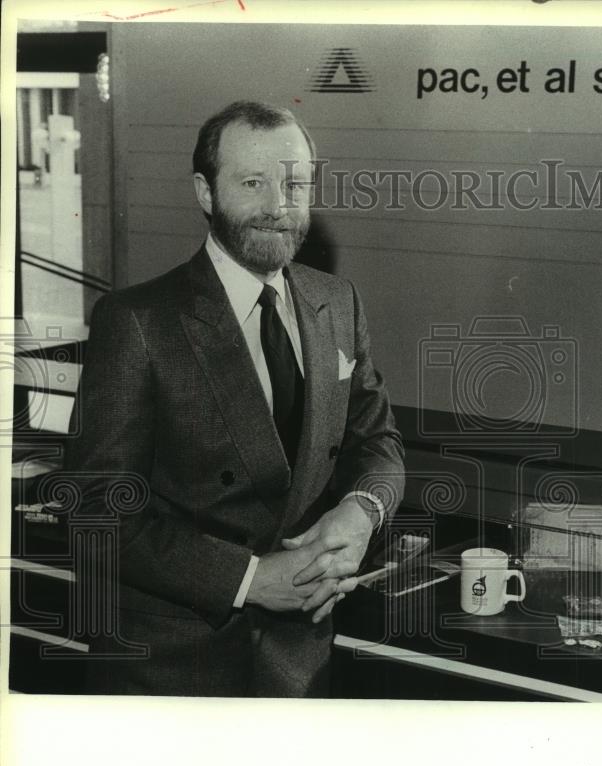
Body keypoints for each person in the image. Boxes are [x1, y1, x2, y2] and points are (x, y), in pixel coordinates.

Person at [66, 100, 404, 697]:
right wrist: (249, 579)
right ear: (205, 192)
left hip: (301, 665)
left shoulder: (336, 302)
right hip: (172, 671)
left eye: (295, 182)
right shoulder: (138, 322)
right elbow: (97, 510)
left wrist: (363, 511)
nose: (279, 205)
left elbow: (376, 441)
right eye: (253, 183)